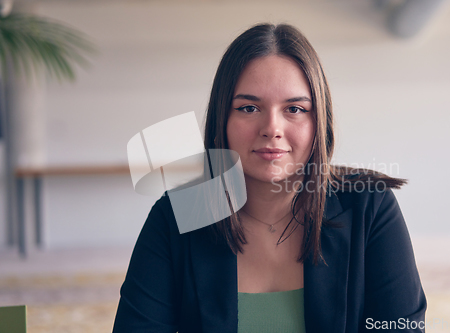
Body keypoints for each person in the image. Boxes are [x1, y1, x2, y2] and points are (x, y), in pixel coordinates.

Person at [113, 23, 426, 333]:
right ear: (222, 119)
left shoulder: (369, 205)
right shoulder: (176, 214)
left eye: (294, 109)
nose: (272, 128)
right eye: (249, 108)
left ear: (320, 121)